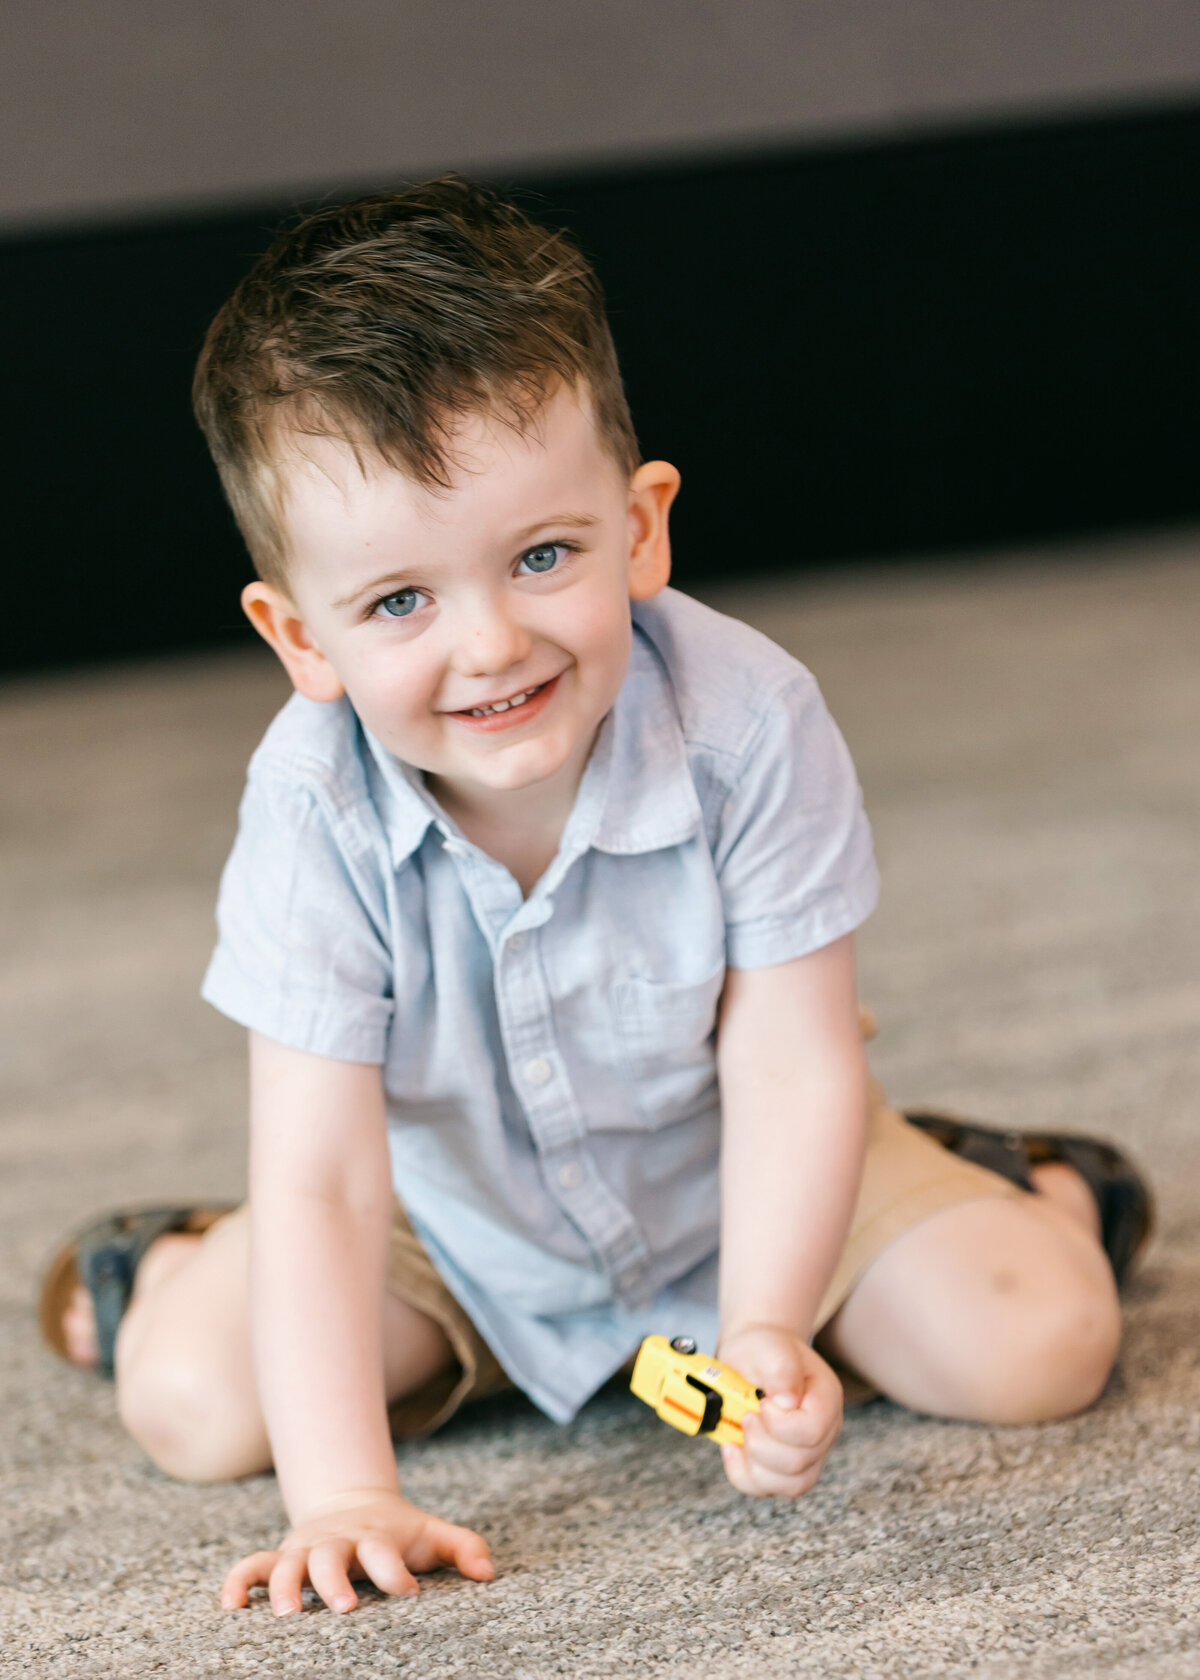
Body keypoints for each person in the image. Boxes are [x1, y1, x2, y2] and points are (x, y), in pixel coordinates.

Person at [39, 178, 1151, 1619]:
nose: (491, 642)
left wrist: (761, 1326)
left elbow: (792, 1054)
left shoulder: (749, 723)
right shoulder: (314, 807)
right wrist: (345, 1496)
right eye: (398, 604)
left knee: (1041, 1345)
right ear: (297, 637)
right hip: (453, 1220)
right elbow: (323, 1172)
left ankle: (1027, 1181)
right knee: (196, 1408)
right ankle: (170, 1259)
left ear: (641, 532)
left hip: (724, 1169)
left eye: (543, 557)